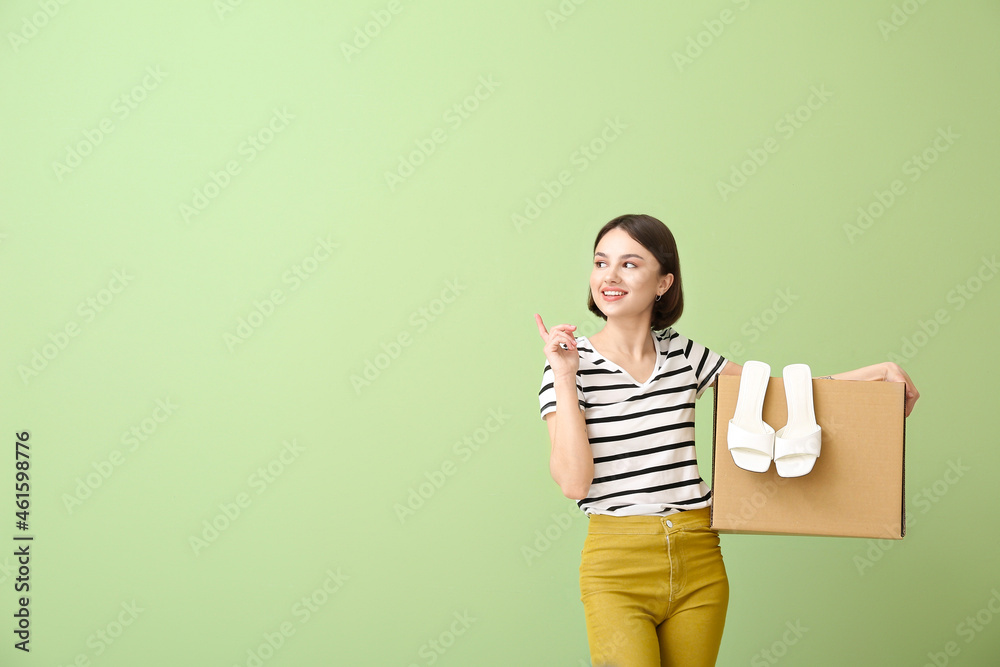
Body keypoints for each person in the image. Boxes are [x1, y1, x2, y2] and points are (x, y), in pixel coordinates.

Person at [534, 214, 919, 666]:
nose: (610, 277)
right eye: (601, 263)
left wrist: (874, 374)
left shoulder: (683, 354)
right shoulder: (570, 366)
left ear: (663, 282)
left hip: (699, 553)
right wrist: (564, 374)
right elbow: (574, 484)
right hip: (616, 562)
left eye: (630, 264)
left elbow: (779, 398)